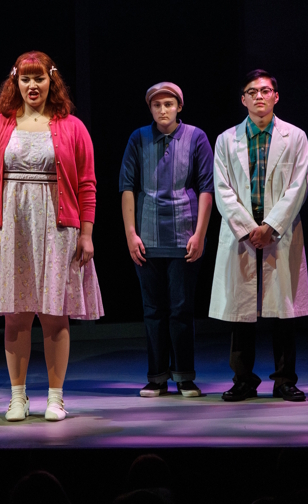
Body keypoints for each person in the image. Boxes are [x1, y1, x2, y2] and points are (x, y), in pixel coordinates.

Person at [0, 51, 104, 422]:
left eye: (39, 78)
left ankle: (55, 397)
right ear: (15, 81)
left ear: (51, 81)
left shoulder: (72, 127)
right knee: (15, 315)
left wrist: (87, 234)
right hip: (9, 227)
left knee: (54, 315)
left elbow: (87, 184)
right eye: (26, 79)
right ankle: (17, 396)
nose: (33, 86)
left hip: (58, 228)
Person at [209, 69, 308, 402]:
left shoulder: (295, 137)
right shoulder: (226, 140)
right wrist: (248, 228)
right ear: (243, 99)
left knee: (282, 311)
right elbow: (222, 188)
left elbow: (298, 186)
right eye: (252, 92)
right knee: (242, 313)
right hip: (243, 233)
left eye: (265, 91)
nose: (259, 97)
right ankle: (243, 379)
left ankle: (284, 379)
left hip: (278, 233)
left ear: (276, 97)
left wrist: (271, 227)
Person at [119, 82, 213, 398]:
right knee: (153, 309)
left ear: (179, 107)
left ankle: (184, 375)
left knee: (181, 308)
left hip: (184, 234)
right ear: (150, 109)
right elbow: (127, 186)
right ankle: (157, 376)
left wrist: (199, 234)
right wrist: (131, 234)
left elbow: (206, 188)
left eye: (169, 104)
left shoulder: (196, 137)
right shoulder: (138, 138)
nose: (163, 110)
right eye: (157, 105)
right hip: (146, 235)